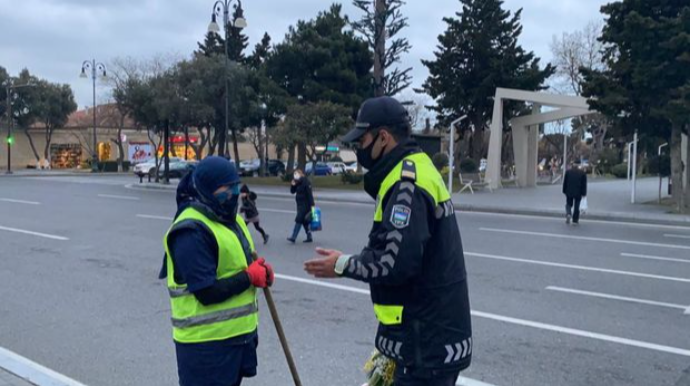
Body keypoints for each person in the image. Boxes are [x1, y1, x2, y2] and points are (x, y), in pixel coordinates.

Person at [304, 96, 472, 386]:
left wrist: (342, 265)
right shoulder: (416, 167)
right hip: (426, 338)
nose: (359, 148)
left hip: (423, 345)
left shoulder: (405, 184)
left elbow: (394, 263)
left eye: (363, 140)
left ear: (383, 137)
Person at [159, 156, 275, 386]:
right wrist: (249, 277)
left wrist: (259, 272)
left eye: (235, 186)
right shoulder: (190, 230)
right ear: (207, 189)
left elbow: (238, 262)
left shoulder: (231, 219)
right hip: (205, 349)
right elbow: (206, 292)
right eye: (226, 188)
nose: (232, 193)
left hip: (236, 340)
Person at [288, 169, 315, 243]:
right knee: (304, 221)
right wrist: (292, 185)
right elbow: (292, 192)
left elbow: (310, 194)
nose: (295, 176)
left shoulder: (306, 182)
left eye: (296, 174)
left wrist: (312, 205)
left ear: (300, 174)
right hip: (299, 204)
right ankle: (309, 236)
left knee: (298, 219)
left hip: (305, 204)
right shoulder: (297, 182)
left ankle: (293, 237)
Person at [563, 160, 588, 225]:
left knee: (568, 204)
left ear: (573, 164)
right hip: (578, 192)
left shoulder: (568, 172)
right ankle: (575, 220)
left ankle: (568, 213)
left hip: (569, 191)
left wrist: (564, 190)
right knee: (577, 206)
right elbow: (584, 184)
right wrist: (584, 193)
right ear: (579, 165)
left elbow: (565, 182)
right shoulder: (582, 173)